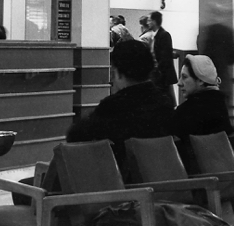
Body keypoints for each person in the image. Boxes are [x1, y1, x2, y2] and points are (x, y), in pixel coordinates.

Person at [65, 40, 174, 179]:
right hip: (164, 183)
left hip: (124, 188)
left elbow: (75, 135)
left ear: (118, 73)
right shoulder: (165, 102)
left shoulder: (114, 106)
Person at [170, 54, 234, 173]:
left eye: (184, 77)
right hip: (228, 178)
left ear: (200, 80)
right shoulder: (220, 106)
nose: (179, 83)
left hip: (199, 184)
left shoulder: (185, 112)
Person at [197, 3, 234, 105]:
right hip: (223, 78)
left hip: (206, 79)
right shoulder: (227, 32)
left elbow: (201, 52)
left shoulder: (204, 30)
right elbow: (232, 57)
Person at [148, 10, 178, 107]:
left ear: (154, 21)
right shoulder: (156, 35)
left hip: (162, 74)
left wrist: (158, 71)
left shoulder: (164, 35)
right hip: (159, 73)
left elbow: (165, 56)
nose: (148, 23)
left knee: (165, 96)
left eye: (149, 20)